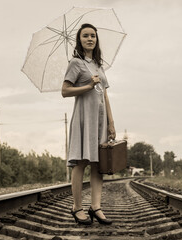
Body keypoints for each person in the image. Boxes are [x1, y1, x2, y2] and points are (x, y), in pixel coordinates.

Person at [61, 23, 115, 225]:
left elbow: (106, 95)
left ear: (96, 39)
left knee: (98, 164)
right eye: (86, 36)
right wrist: (88, 85)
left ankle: (96, 207)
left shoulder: (99, 66)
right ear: (80, 39)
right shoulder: (76, 63)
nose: (90, 39)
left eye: (93, 35)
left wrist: (111, 122)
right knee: (81, 162)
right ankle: (76, 207)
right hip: (85, 118)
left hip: (100, 119)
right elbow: (65, 91)